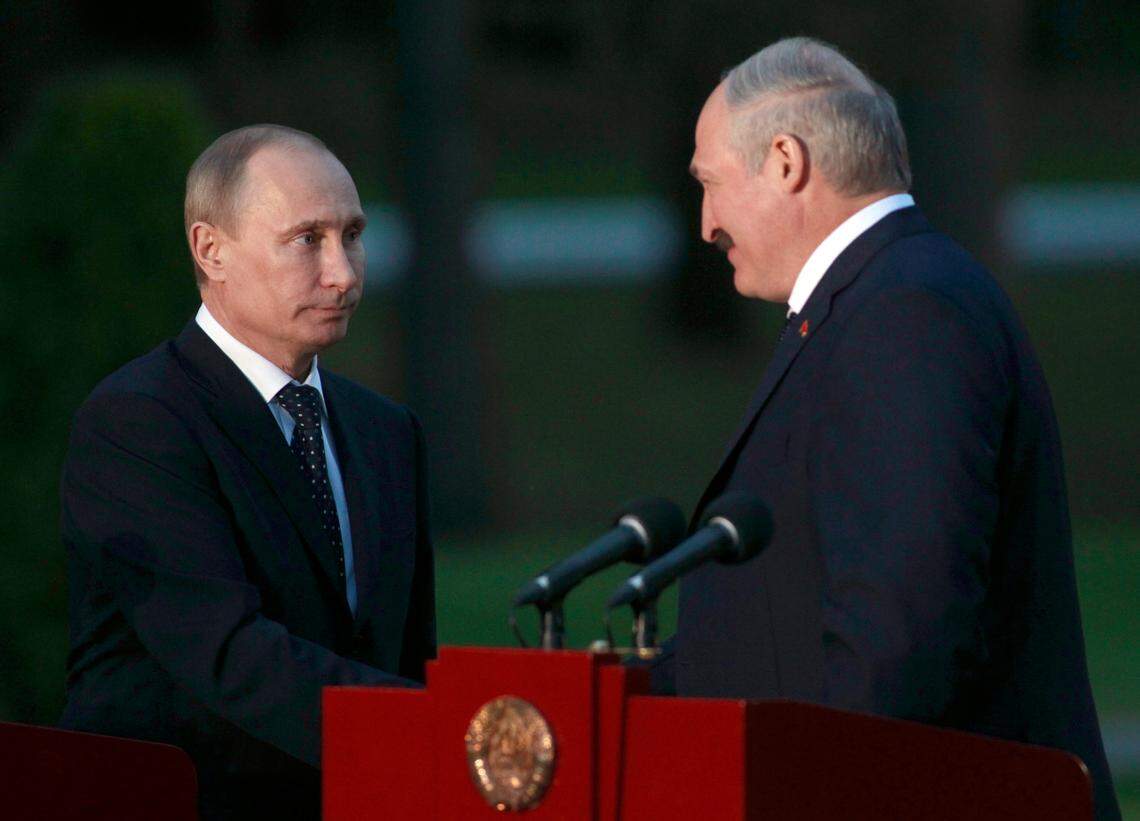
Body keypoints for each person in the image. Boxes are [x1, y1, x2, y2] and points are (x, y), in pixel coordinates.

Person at [668, 37, 1120, 819]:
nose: (705, 223)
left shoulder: (907, 314)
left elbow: (897, 640)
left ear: (785, 160)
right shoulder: (874, 303)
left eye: (710, 184)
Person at [59, 125, 436, 820]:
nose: (345, 272)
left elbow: (405, 654)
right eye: (307, 240)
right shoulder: (137, 424)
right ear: (211, 250)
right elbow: (230, 656)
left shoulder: (387, 433)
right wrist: (439, 728)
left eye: (352, 234)